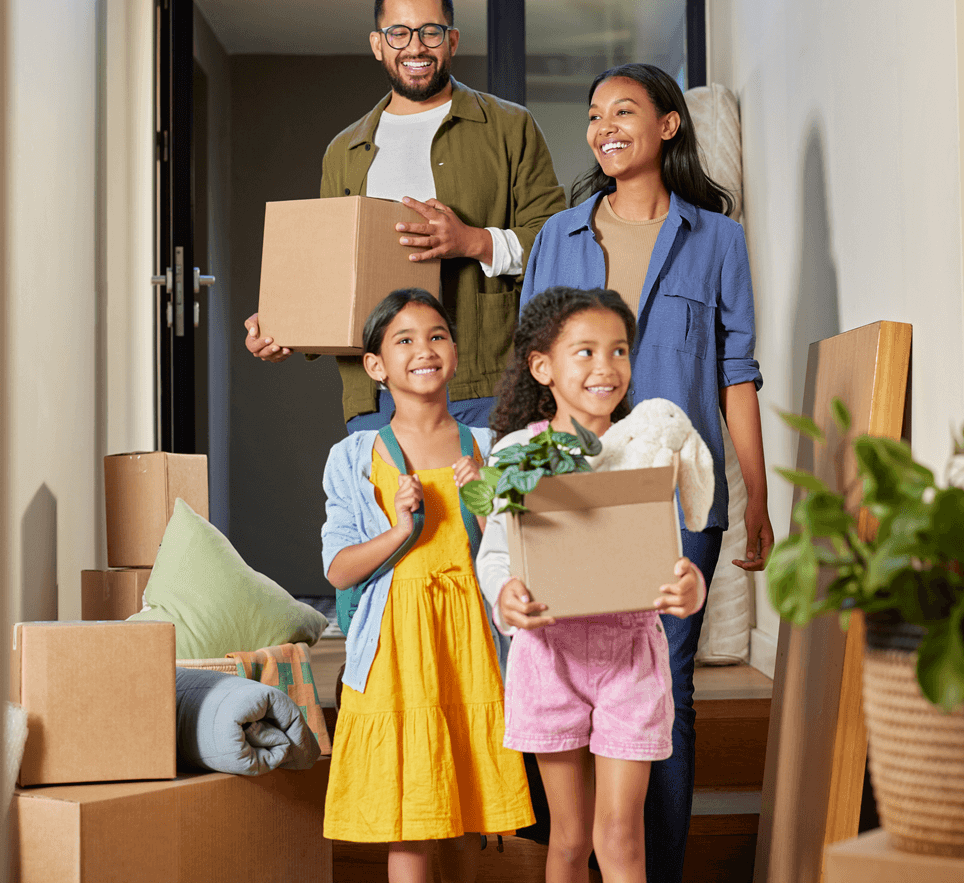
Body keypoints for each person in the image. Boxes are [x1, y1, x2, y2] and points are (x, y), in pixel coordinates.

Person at [517, 63, 775, 883]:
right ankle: (577, 858)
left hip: (674, 493)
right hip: (570, 489)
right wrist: (522, 490)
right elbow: (532, 374)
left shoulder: (717, 239)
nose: (604, 127)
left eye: (623, 111)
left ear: (667, 125)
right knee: (562, 678)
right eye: (594, 114)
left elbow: (737, 373)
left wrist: (756, 495)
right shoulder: (557, 237)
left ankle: (649, 869)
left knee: (663, 686)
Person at [244, 0, 566, 432]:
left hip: (484, 387)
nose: (415, 47)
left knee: (489, 485)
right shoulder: (344, 151)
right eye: (399, 33)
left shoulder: (510, 127)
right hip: (376, 396)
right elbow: (329, 274)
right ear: (378, 44)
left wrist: (473, 241)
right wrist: (284, 329)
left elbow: (556, 245)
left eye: (430, 32)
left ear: (452, 40)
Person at [475, 286, 706, 883]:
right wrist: (505, 595)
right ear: (542, 367)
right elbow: (496, 553)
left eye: (619, 350)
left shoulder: (645, 449)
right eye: (585, 351)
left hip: (630, 656)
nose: (606, 367)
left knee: (620, 836)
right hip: (548, 656)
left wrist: (691, 586)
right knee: (571, 838)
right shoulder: (516, 453)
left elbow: (668, 555)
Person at [320, 287, 533, 883]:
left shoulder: (491, 447)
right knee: (411, 814)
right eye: (404, 340)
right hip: (396, 649)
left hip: (472, 645)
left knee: (470, 809)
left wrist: (485, 499)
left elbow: (522, 558)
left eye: (437, 336)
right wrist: (399, 529)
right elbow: (338, 569)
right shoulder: (353, 456)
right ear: (375, 366)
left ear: (456, 353)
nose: (424, 349)